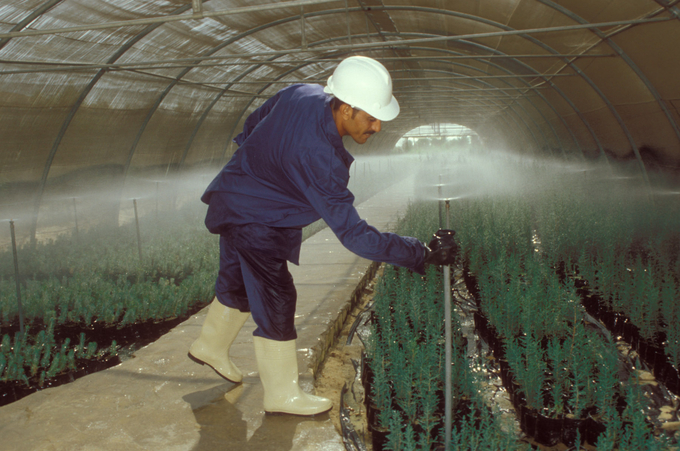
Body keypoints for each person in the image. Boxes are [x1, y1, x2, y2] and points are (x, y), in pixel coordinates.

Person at [189, 55, 458, 416]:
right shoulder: (319, 158)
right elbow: (355, 236)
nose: (377, 127)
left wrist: (255, 166)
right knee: (277, 295)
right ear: (346, 109)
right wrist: (419, 252)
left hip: (235, 196)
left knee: (237, 279)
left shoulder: (302, 92)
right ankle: (282, 395)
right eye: (372, 117)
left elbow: (253, 123)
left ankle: (210, 345)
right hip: (257, 216)